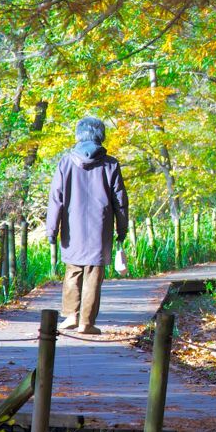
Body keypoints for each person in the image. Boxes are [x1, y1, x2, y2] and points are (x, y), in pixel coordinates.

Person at [46, 117, 128, 333]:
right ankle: (86, 323)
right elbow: (120, 202)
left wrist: (52, 230)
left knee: (73, 270)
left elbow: (56, 198)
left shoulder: (66, 162)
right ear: (101, 136)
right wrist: (121, 230)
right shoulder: (110, 164)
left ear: (79, 135)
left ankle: (71, 316)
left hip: (72, 228)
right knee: (93, 274)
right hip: (100, 229)